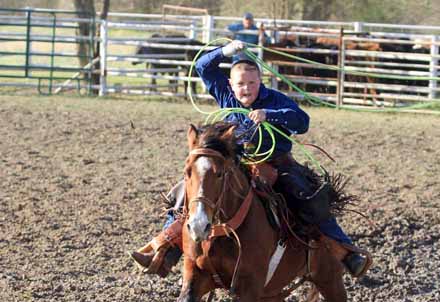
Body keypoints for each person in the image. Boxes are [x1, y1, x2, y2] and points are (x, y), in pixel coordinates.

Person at [130, 40, 368, 277]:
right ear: (230, 85)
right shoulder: (225, 95)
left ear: (260, 82)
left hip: (277, 163)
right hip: (235, 165)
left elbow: (302, 121)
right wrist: (225, 51)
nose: (246, 88)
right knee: (186, 191)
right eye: (241, 84)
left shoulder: (275, 100)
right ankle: (165, 250)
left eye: (251, 83)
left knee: (306, 196)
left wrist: (270, 115)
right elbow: (202, 67)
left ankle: (347, 253)